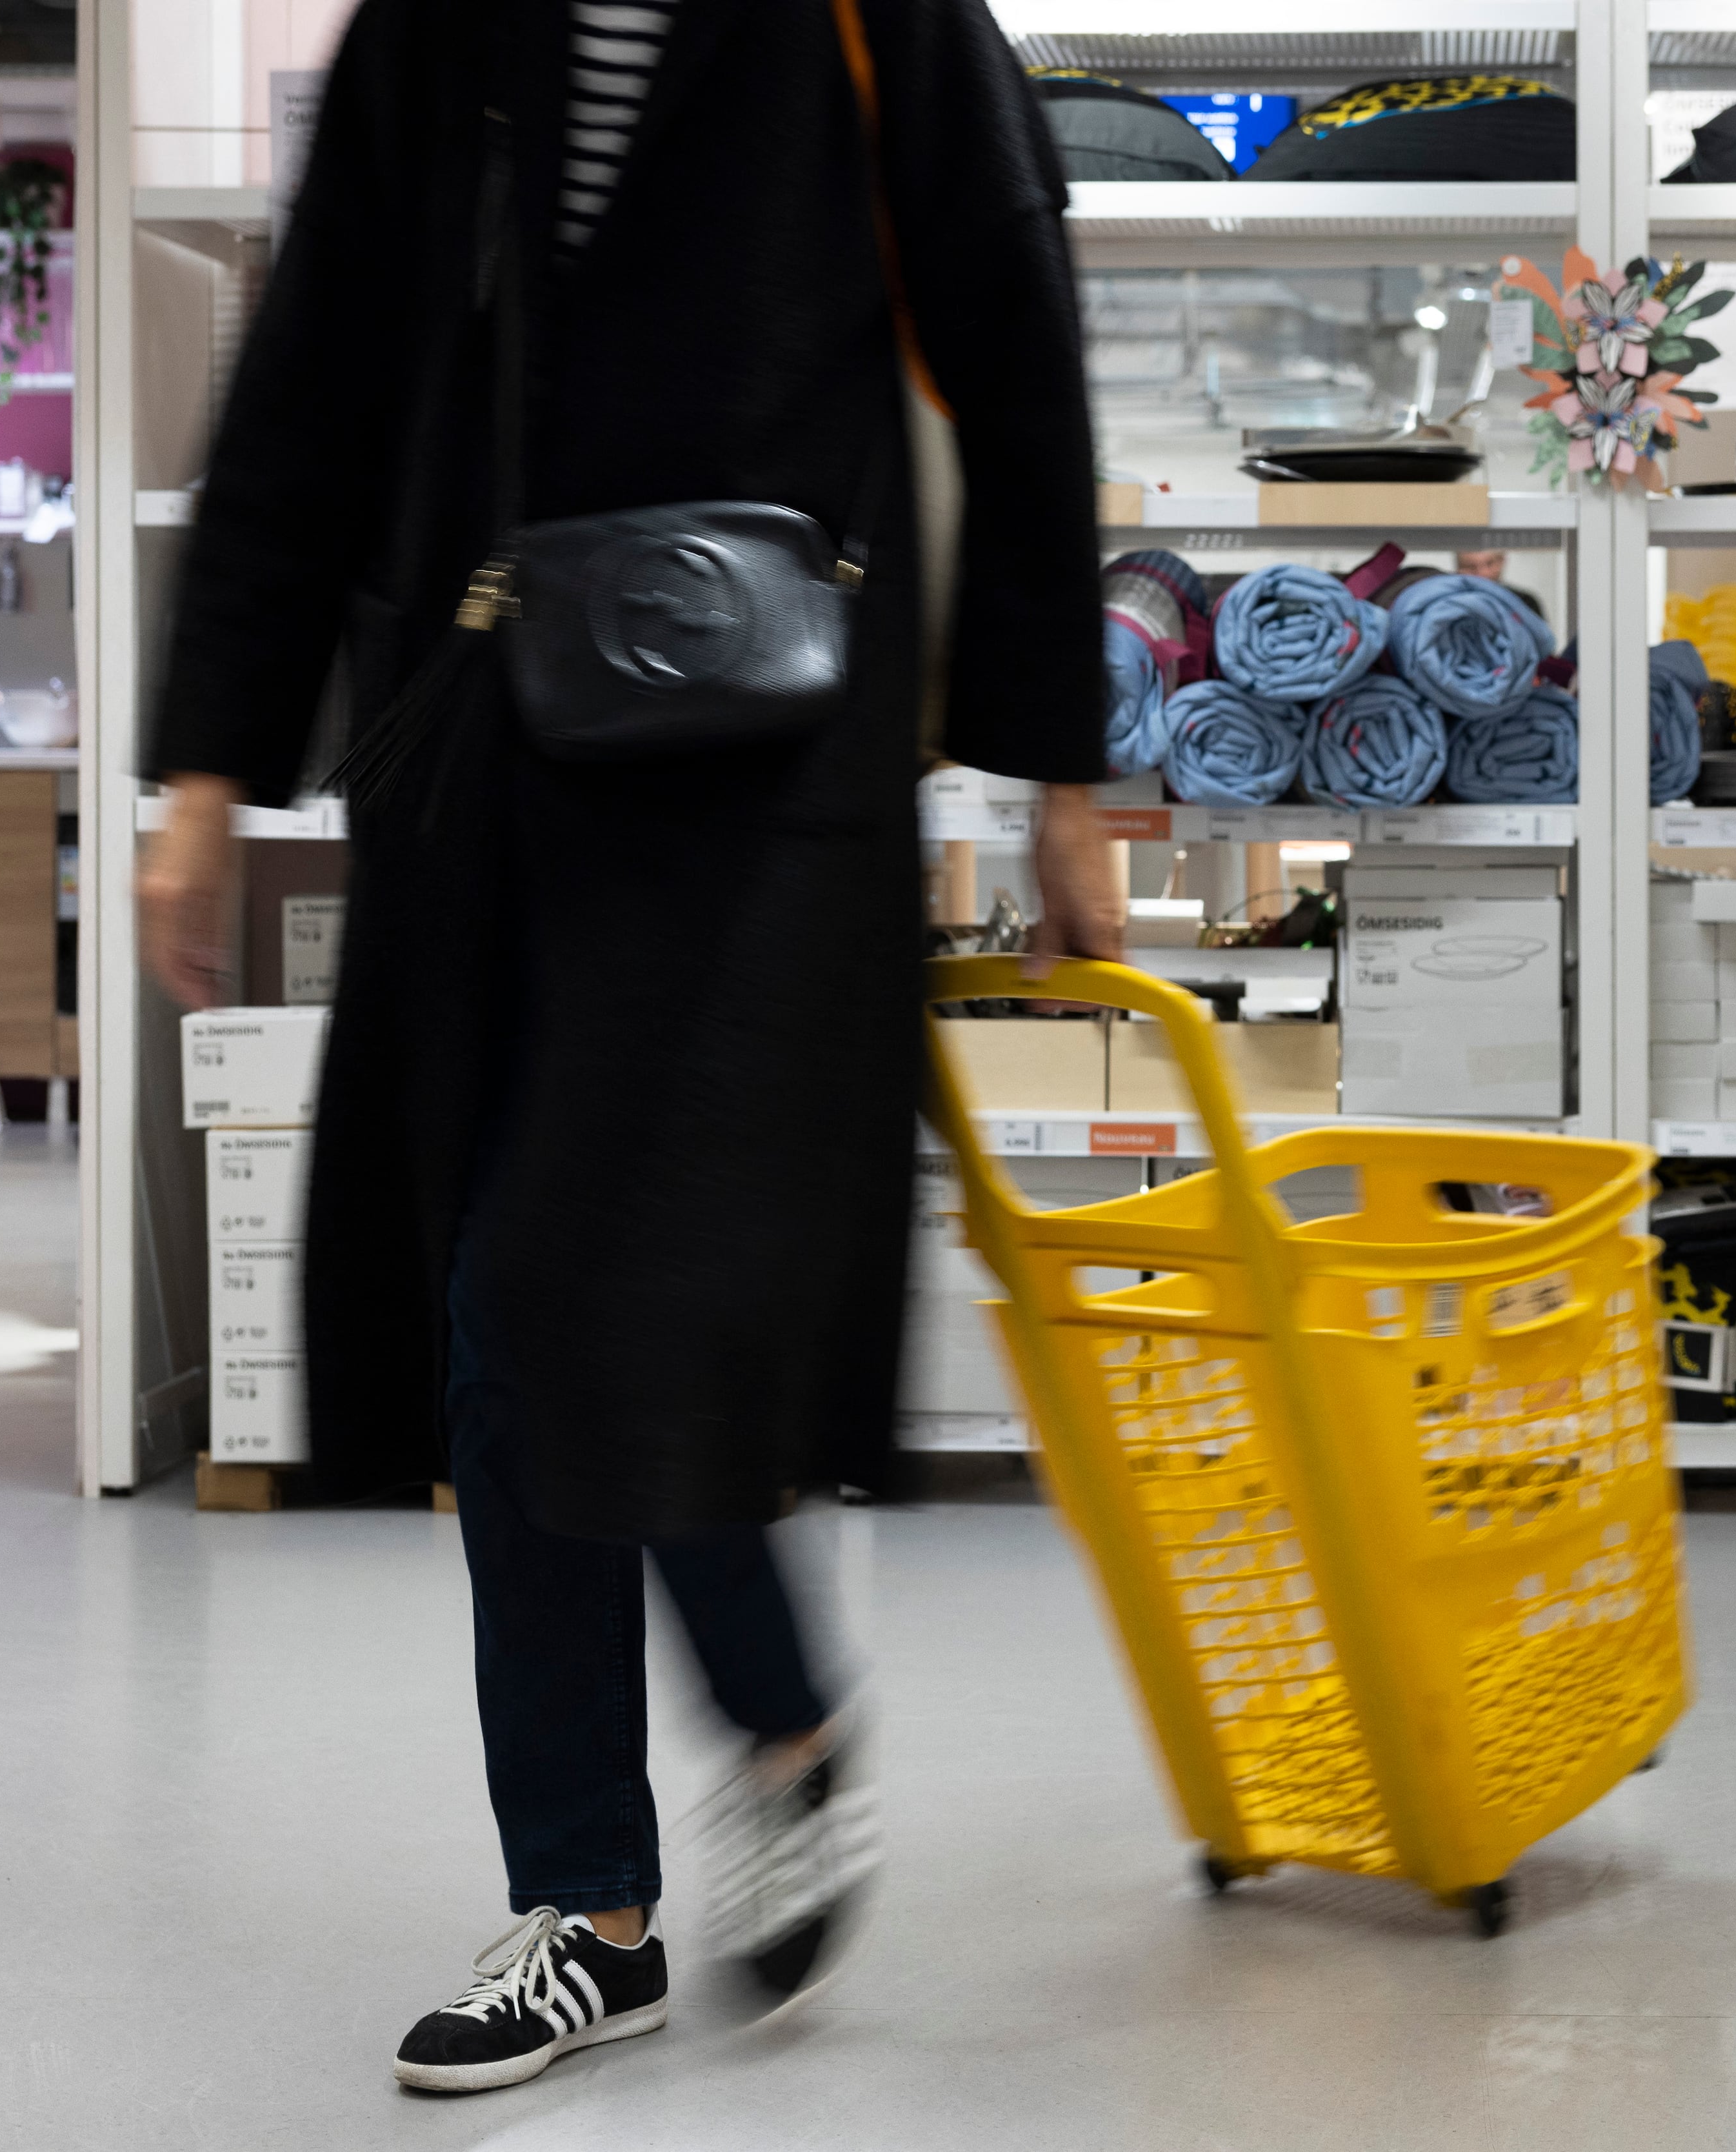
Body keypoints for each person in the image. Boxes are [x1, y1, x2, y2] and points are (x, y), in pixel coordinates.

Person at [133, 0, 1122, 2096]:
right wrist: (207, 769)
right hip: (488, 748)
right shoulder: (445, 23)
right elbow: (312, 373)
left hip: (765, 758)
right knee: (504, 1309)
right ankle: (601, 1898)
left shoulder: (875, 20)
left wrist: (1060, 772)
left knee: (578, 1287)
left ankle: (728, 1756)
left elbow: (1016, 350)